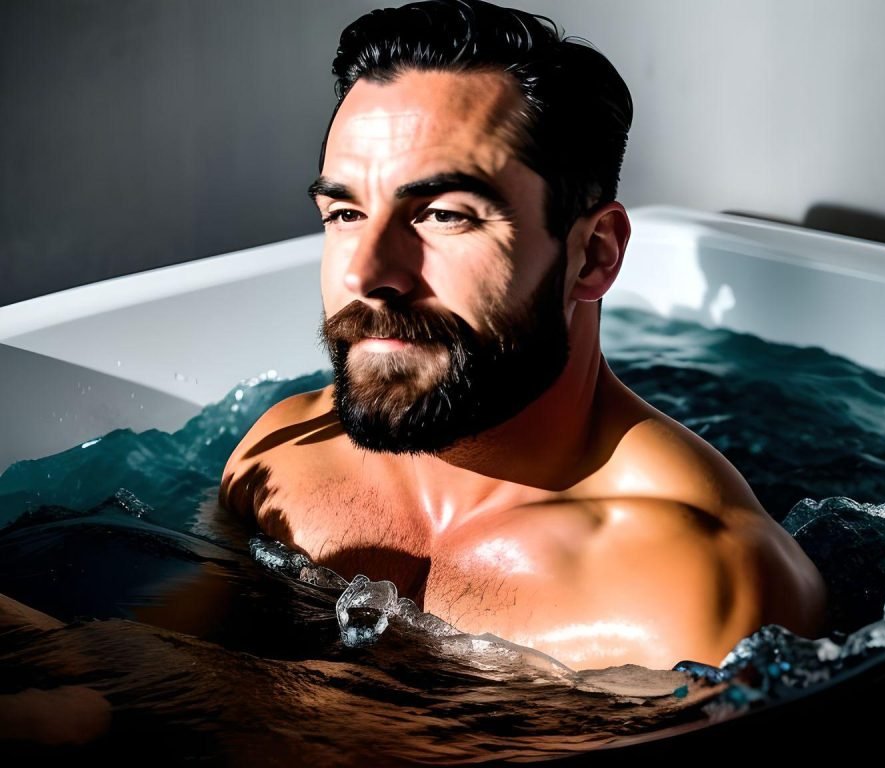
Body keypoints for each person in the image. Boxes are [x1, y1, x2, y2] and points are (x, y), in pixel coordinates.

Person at [220, 0, 826, 670]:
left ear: (594, 255)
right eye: (344, 211)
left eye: (444, 214)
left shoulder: (691, 592)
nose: (366, 271)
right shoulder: (279, 463)